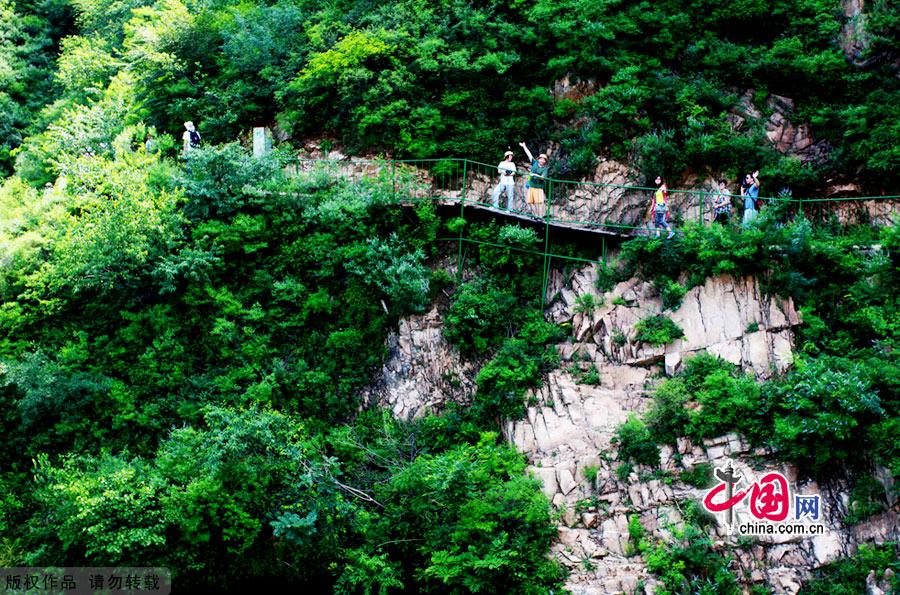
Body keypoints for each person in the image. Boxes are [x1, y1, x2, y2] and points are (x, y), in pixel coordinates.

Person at [518, 141, 549, 217]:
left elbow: (542, 177)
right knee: (530, 202)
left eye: (543, 159)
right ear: (539, 159)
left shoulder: (545, 169)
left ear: (545, 161)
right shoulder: (534, 163)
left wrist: (534, 174)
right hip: (531, 185)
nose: (542, 160)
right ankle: (535, 215)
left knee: (539, 202)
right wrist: (524, 146)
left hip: (539, 187)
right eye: (541, 159)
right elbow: (529, 154)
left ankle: (540, 216)